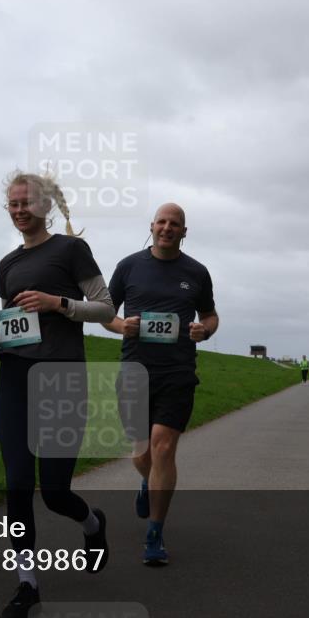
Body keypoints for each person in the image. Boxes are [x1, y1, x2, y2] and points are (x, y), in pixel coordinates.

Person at [0, 171, 115, 618]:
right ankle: (27, 584)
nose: (19, 210)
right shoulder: (7, 264)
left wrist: (59, 304)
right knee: (17, 484)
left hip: (61, 380)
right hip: (14, 380)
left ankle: (92, 523)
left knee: (53, 492)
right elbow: (16, 327)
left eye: (27, 203)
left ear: (45, 205)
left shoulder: (71, 250)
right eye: (13, 204)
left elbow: (107, 308)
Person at [103, 203, 218, 567]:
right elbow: (104, 310)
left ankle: (155, 532)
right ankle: (147, 481)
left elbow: (210, 315)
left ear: (184, 232)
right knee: (140, 451)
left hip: (178, 372)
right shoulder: (129, 266)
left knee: (163, 447)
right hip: (135, 369)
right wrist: (121, 326)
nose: (168, 228)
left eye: (176, 224)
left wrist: (206, 330)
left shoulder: (196, 272)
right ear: (152, 226)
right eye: (162, 222)